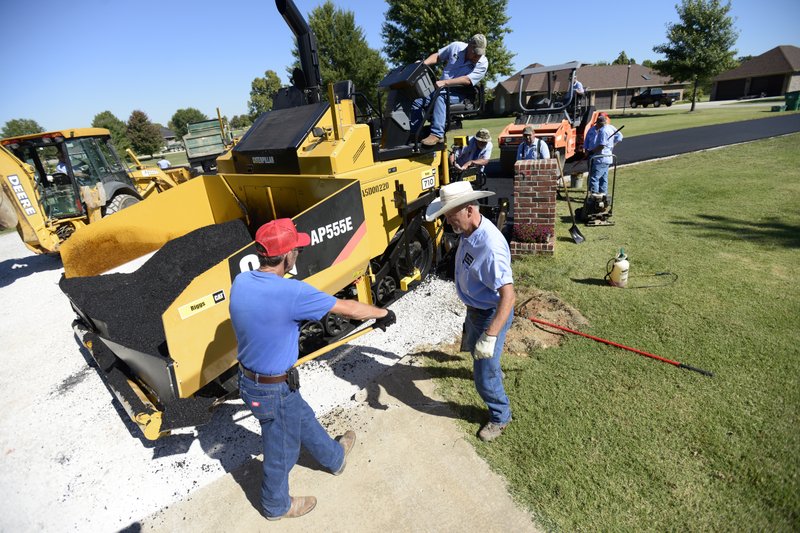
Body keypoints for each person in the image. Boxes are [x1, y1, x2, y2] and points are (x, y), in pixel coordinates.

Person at [229, 218, 396, 521]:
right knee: (281, 450)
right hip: (270, 390)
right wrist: (382, 312)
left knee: (300, 415)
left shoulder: (241, 282)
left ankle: (334, 458)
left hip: (253, 381)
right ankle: (275, 505)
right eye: (296, 249)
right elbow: (348, 308)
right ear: (287, 255)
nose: (298, 254)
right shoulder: (291, 292)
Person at [425, 181, 515, 442]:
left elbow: (508, 296)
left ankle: (500, 416)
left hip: (491, 314)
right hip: (476, 310)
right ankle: (491, 368)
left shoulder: (490, 247)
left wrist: (491, 335)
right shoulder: (468, 231)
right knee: (479, 357)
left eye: (451, 217)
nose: (448, 223)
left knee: (483, 374)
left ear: (468, 210)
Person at [412, 34, 489, 147]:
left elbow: (467, 80)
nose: (477, 57)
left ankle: (437, 134)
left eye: (480, 54)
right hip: (442, 88)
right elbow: (438, 56)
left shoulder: (483, 62)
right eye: (475, 53)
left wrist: (445, 83)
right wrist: (422, 65)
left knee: (441, 95)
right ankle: (415, 133)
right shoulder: (456, 47)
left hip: (461, 95)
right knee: (417, 99)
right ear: (469, 46)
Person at [583, 114, 623, 194]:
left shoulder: (603, 131)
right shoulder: (596, 129)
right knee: (603, 178)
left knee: (594, 178)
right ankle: (603, 196)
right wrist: (587, 151)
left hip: (600, 158)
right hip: (601, 157)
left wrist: (593, 151)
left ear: (599, 123)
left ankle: (594, 197)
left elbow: (601, 146)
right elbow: (588, 141)